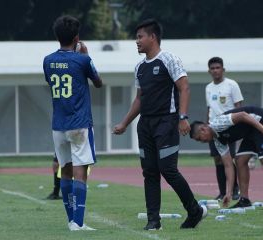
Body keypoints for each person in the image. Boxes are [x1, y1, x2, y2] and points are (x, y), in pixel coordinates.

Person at [113, 19, 207, 230]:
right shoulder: (139, 67)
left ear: (152, 37)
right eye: (136, 37)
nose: (136, 41)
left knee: (168, 169)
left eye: (140, 37)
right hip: (145, 125)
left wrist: (183, 118)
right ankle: (153, 221)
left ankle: (195, 210)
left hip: (167, 122)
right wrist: (125, 123)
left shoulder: (169, 59)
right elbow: (139, 98)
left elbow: (184, 88)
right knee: (150, 172)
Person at [43, 15, 103, 231]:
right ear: (77, 38)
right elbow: (98, 83)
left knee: (65, 170)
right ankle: (78, 221)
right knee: (81, 171)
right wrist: (87, 56)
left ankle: (71, 221)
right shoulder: (82, 60)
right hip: (79, 123)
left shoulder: (48, 60)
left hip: (58, 124)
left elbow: (51, 82)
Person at [190, 106, 263, 208]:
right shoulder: (218, 141)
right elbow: (228, 165)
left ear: (203, 129)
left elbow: (243, 115)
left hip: (259, 121)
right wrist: (228, 193)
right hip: (250, 131)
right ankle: (244, 200)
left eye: (199, 138)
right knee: (240, 160)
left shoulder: (217, 123)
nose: (201, 142)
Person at [205, 57, 242, 201]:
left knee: (229, 158)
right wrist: (206, 124)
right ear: (209, 71)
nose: (215, 70)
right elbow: (209, 108)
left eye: (217, 68)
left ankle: (234, 190)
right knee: (217, 159)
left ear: (223, 69)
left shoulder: (231, 85)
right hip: (212, 129)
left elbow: (240, 107)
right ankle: (222, 192)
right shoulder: (208, 87)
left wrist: (239, 128)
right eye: (212, 68)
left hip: (228, 127)